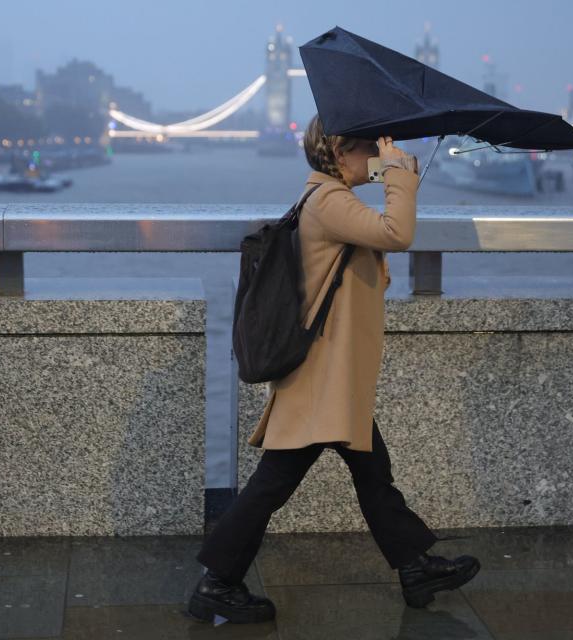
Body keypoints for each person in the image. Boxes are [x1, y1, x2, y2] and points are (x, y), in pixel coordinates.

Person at [187, 114, 480, 624]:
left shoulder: (327, 199)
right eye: (367, 146)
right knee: (274, 483)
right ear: (339, 151)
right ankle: (217, 582)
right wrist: (398, 176)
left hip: (335, 373)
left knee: (373, 473)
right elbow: (399, 232)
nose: (374, 154)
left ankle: (415, 567)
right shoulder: (329, 201)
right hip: (324, 375)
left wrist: (390, 174)